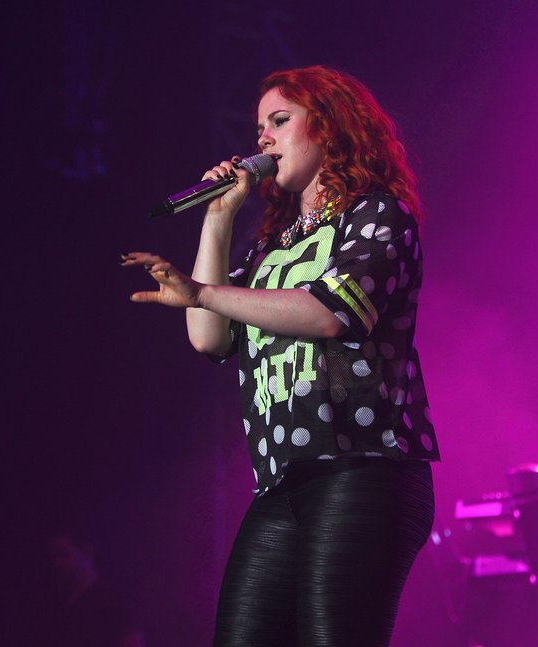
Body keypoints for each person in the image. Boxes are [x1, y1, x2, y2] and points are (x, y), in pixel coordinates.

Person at [122, 65, 440, 646]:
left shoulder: (379, 215)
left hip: (362, 468)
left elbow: (328, 312)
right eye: (258, 127)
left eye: (279, 121)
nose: (262, 139)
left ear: (331, 127)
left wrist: (202, 293)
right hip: (282, 482)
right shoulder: (274, 246)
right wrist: (218, 220)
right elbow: (209, 336)